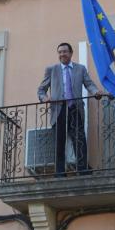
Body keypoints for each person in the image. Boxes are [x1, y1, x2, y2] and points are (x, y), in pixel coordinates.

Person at [37, 42, 101, 176]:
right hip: (58, 110)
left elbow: (89, 84)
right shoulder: (52, 69)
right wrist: (44, 98)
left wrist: (95, 92)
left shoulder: (80, 69)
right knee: (59, 142)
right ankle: (60, 172)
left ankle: (82, 169)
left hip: (74, 108)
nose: (62, 54)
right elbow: (41, 89)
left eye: (65, 52)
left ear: (71, 53)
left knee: (79, 140)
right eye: (60, 52)